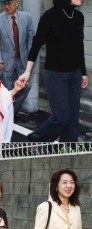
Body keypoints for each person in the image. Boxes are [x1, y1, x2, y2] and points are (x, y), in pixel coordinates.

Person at [19, 0, 88, 142]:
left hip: (75, 74)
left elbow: (79, 46)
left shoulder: (79, 17)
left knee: (72, 119)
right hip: (55, 74)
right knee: (61, 117)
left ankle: (68, 151)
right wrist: (27, 71)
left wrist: (83, 72)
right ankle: (35, 139)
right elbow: (37, 43)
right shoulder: (50, 16)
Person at [0, 0, 34, 117]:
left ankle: (12, 110)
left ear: (17, 2)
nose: (6, 6)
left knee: (27, 86)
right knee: (8, 88)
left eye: (9, 3)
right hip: (5, 61)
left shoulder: (27, 17)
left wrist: (30, 59)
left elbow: (31, 41)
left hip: (23, 60)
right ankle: (6, 114)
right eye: (4, 4)